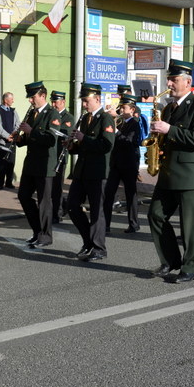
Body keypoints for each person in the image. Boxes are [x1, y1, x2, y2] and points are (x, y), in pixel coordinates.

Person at [147, 59, 194, 283]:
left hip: (189, 175)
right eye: (169, 79)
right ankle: (170, 261)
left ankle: (190, 267)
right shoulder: (168, 108)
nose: (169, 84)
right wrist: (157, 141)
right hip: (168, 173)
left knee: (188, 226)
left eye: (174, 79)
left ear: (187, 82)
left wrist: (169, 129)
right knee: (155, 215)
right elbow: (166, 137)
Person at [66, 83, 115, 262]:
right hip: (82, 171)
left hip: (97, 172)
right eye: (83, 101)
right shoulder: (85, 118)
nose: (84, 104)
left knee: (96, 211)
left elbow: (107, 145)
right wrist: (72, 146)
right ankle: (88, 241)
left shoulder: (105, 118)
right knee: (71, 205)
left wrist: (84, 138)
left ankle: (99, 248)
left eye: (87, 101)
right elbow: (82, 146)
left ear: (97, 99)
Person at [15, 81, 60, 248]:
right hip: (31, 163)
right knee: (23, 196)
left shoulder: (52, 114)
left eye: (33, 97)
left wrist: (31, 131)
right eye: (29, 97)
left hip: (44, 165)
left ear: (43, 96)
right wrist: (19, 139)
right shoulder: (32, 114)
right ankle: (37, 231)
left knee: (44, 202)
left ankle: (46, 236)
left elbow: (50, 139)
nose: (30, 100)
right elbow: (29, 139)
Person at [103, 93, 142, 233]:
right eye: (120, 107)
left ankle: (134, 224)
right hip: (115, 164)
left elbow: (128, 141)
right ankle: (105, 224)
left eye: (123, 108)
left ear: (132, 109)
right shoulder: (120, 122)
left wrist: (116, 131)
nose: (120, 110)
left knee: (131, 194)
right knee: (108, 193)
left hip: (129, 164)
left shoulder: (135, 124)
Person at [50, 90, 74, 223]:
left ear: (63, 102)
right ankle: (61, 206)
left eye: (56, 102)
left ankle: (57, 213)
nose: (53, 105)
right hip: (49, 156)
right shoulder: (50, 115)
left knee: (57, 187)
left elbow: (65, 134)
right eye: (52, 102)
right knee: (49, 186)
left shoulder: (68, 117)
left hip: (60, 155)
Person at [0, 92, 19, 190]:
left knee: (11, 163)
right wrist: (7, 136)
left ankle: (9, 182)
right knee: (1, 163)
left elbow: (18, 124)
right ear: (5, 100)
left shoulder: (13, 111)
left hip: (12, 141)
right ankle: (0, 183)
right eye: (11, 99)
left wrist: (13, 134)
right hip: (2, 141)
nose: (13, 101)